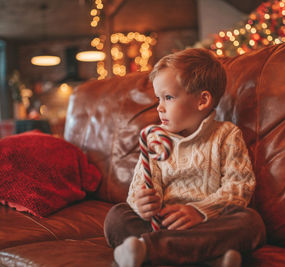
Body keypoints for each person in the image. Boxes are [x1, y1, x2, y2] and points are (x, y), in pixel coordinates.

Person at [104, 48, 266, 267]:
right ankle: (211, 260)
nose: (159, 107)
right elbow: (140, 187)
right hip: (161, 223)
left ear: (202, 100)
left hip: (208, 224)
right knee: (116, 217)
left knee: (251, 223)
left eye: (168, 97)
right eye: (158, 98)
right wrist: (143, 203)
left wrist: (200, 211)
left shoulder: (226, 135)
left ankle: (150, 251)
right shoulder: (156, 139)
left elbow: (240, 187)